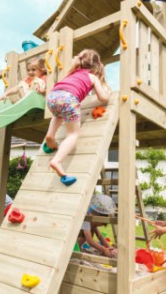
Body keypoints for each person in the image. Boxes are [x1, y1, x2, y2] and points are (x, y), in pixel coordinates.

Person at [43, 49, 111, 185]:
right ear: (96, 66)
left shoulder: (72, 73)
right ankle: (57, 161)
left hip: (52, 97)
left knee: (58, 114)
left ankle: (50, 136)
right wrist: (107, 93)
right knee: (73, 134)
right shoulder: (93, 77)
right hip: (69, 99)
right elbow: (102, 98)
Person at [77, 194, 117, 258]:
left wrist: (108, 247)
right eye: (96, 224)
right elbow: (89, 241)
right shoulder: (86, 219)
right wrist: (103, 249)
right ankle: (76, 251)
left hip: (79, 246)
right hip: (73, 246)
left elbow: (100, 236)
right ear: (95, 217)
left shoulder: (93, 223)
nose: (96, 226)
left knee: (92, 230)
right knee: (85, 236)